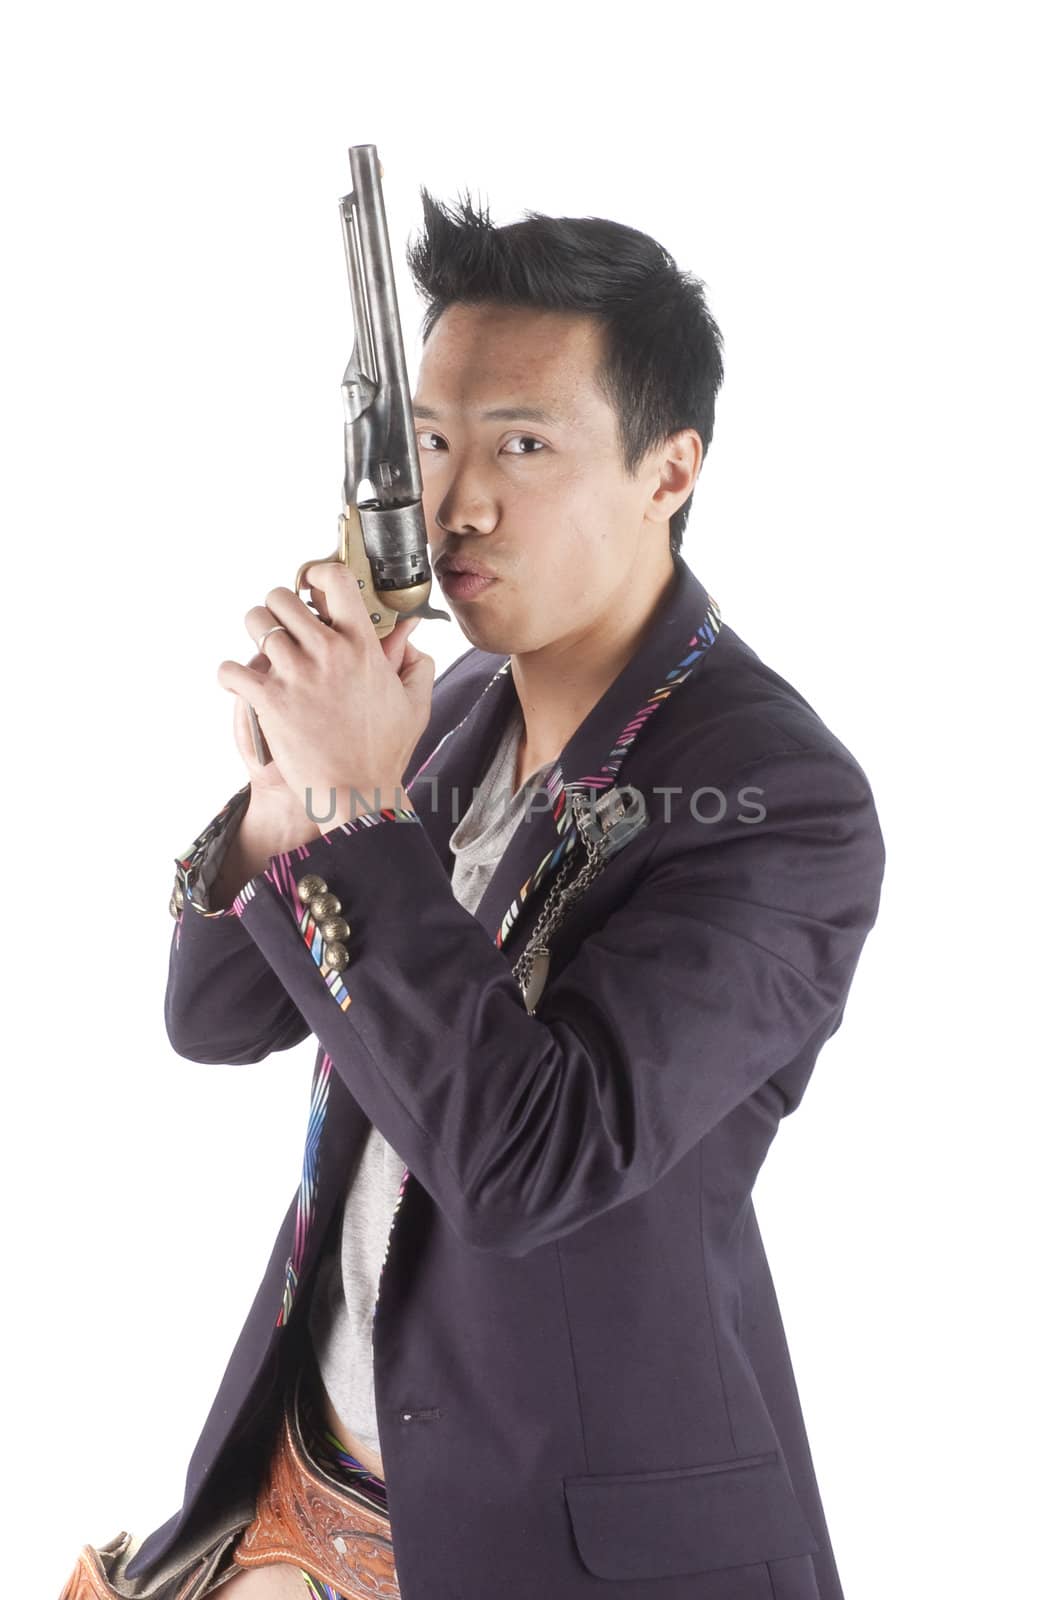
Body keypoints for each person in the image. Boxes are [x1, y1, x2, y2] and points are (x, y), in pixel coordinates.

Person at [61, 190, 885, 1600]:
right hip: (303, 1484)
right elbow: (214, 1020)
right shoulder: (445, 710)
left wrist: (362, 811)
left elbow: (529, 1165)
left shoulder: (781, 799)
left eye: (523, 443)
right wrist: (289, 790)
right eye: (431, 442)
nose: (458, 502)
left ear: (670, 469)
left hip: (566, 1542)